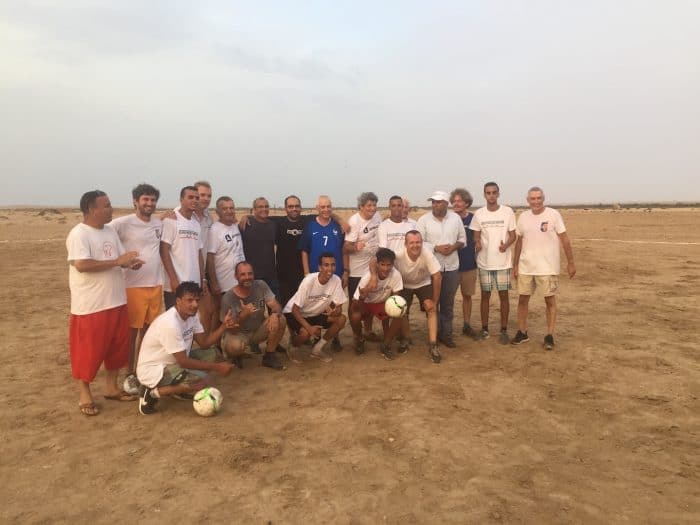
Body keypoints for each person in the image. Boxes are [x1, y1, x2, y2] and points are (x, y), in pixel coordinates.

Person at [67, 190, 144, 416]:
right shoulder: (79, 234)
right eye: (107, 205)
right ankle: (84, 394)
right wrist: (117, 261)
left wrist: (129, 263)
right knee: (88, 351)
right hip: (91, 305)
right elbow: (81, 265)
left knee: (117, 348)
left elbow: (119, 260)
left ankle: (111, 388)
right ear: (92, 209)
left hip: (116, 300)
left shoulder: (109, 231)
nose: (111, 209)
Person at [136, 282, 235, 415]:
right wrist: (217, 368)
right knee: (201, 380)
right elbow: (183, 362)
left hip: (173, 362)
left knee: (214, 354)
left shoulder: (192, 316)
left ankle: (177, 388)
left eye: (197, 300)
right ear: (178, 301)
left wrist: (223, 327)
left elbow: (204, 343)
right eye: (189, 300)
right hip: (154, 369)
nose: (194, 304)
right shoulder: (170, 323)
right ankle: (151, 393)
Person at [110, 183, 164, 394]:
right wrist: (122, 261)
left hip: (155, 284)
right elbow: (102, 236)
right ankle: (129, 372)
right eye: (145, 199)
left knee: (148, 332)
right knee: (131, 334)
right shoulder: (122, 223)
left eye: (153, 200)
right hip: (133, 286)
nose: (149, 203)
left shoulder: (158, 223)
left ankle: (143, 369)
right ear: (135, 201)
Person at [511, 187, 576, 350]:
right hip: (526, 267)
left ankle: (549, 335)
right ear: (528, 200)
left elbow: (564, 239)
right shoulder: (523, 217)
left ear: (543, 198)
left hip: (547, 267)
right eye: (532, 199)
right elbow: (519, 242)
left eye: (538, 198)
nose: (536, 201)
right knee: (523, 299)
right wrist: (516, 264)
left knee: (549, 301)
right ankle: (522, 332)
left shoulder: (553, 215)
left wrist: (571, 262)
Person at [416, 190, 466, 348]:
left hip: (452, 267)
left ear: (446, 203)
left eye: (438, 202)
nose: (435, 205)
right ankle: (434, 335)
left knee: (447, 304)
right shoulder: (423, 220)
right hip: (431, 269)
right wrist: (436, 248)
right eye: (433, 202)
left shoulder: (455, 218)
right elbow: (419, 243)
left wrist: (453, 247)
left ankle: (447, 335)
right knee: (432, 303)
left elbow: (462, 239)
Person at [470, 182, 517, 344]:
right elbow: (476, 235)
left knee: (504, 296)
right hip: (485, 262)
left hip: (503, 262)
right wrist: (477, 243)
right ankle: (484, 329)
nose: (491, 195)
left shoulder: (507, 212)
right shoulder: (479, 214)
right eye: (488, 193)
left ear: (498, 194)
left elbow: (513, 235)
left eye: (494, 192)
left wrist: (506, 245)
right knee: (485, 296)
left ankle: (503, 330)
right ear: (484, 195)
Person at [299, 195, 347, 351]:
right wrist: (306, 272)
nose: (326, 209)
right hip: (316, 275)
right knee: (317, 304)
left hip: (336, 274)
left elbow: (344, 250)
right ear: (317, 208)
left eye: (328, 206)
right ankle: (316, 336)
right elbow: (304, 251)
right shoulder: (310, 226)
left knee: (334, 306)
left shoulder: (337, 226)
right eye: (323, 207)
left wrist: (345, 271)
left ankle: (335, 337)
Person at [220, 261, 286, 370]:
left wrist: (274, 314)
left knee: (281, 319)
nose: (247, 277)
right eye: (243, 274)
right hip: (238, 334)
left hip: (257, 331)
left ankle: (269, 355)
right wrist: (243, 315)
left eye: (250, 273)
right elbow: (231, 329)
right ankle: (236, 356)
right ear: (236, 276)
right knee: (235, 347)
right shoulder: (228, 297)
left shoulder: (261, 285)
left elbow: (276, 306)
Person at [283, 252, 348, 363]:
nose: (330, 268)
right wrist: (309, 328)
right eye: (326, 265)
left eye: (333, 265)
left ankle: (317, 349)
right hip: (295, 313)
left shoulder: (336, 280)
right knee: (306, 333)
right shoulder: (309, 281)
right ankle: (293, 346)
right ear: (319, 267)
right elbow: (295, 309)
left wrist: (335, 312)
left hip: (315, 313)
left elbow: (339, 309)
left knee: (341, 319)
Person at [393, 230, 442, 363]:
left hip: (423, 283)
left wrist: (434, 301)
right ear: (405, 244)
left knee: (431, 308)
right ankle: (406, 339)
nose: (415, 245)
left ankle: (433, 344)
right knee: (402, 309)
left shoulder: (427, 254)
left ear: (422, 243)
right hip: (404, 284)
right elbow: (377, 261)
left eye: (418, 242)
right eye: (412, 243)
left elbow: (437, 276)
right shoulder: (398, 255)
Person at [350, 248, 404, 360]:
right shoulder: (367, 277)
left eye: (389, 265)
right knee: (355, 314)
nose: (386, 268)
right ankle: (359, 338)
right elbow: (355, 304)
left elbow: (396, 298)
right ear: (377, 264)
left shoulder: (396, 275)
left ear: (393, 264)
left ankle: (386, 344)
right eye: (382, 264)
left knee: (400, 313)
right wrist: (363, 296)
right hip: (366, 304)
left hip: (381, 304)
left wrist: (393, 308)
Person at [160, 186, 205, 310]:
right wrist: (173, 279)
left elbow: (199, 253)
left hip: (194, 284)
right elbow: (164, 251)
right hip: (177, 285)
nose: (194, 200)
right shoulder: (171, 220)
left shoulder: (196, 223)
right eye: (190, 197)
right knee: (175, 318)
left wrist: (202, 279)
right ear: (181, 199)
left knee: (191, 318)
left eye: (197, 198)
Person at [344, 192, 382, 340]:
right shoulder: (354, 221)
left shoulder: (377, 216)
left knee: (369, 300)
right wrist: (355, 247)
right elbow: (346, 246)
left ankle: (368, 331)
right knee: (355, 304)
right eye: (369, 205)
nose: (372, 208)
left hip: (372, 268)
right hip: (356, 271)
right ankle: (356, 335)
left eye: (374, 205)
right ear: (361, 206)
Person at [207, 196, 245, 330]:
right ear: (217, 211)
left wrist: (247, 217)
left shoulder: (234, 226)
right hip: (223, 283)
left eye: (231, 208)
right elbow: (210, 258)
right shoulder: (214, 230)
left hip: (238, 281)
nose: (229, 211)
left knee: (237, 315)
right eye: (225, 209)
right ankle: (215, 341)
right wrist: (214, 283)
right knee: (220, 316)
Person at [450, 188, 478, 338]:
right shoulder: (449, 219)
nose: (456, 203)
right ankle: (446, 327)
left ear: (467, 203)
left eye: (459, 201)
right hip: (451, 266)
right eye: (454, 201)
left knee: (467, 296)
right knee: (448, 299)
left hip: (469, 265)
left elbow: (478, 239)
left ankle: (466, 325)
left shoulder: (474, 219)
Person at [240, 197, 279, 299]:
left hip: (271, 275)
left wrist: (247, 215)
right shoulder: (246, 225)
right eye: (260, 207)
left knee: (275, 304)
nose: (264, 209)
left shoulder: (273, 225)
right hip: (252, 276)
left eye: (266, 206)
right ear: (254, 209)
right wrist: (246, 216)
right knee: (255, 306)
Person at [193, 181, 216, 331]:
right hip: (185, 272)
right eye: (202, 195)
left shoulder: (209, 218)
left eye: (209, 196)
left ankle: (206, 341)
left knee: (208, 311)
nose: (206, 199)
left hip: (203, 272)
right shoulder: (180, 215)